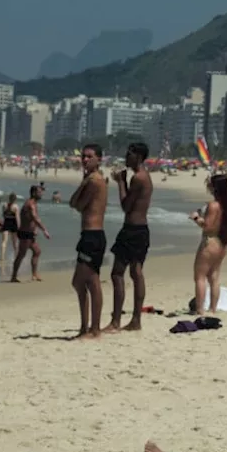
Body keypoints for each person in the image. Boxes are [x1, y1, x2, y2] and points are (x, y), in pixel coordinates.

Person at [108, 142, 153, 332]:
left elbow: (126, 205)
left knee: (117, 273)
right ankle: (135, 320)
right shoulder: (145, 176)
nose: (126, 157)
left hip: (132, 229)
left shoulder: (139, 178)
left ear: (139, 157)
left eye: (129, 154)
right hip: (141, 229)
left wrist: (120, 182)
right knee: (136, 273)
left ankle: (117, 320)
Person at [68, 144, 109, 339]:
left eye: (89, 157)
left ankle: (93, 328)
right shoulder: (94, 179)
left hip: (93, 235)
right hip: (91, 235)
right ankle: (87, 327)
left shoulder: (93, 181)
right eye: (83, 156)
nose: (85, 160)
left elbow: (75, 203)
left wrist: (82, 184)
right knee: (83, 282)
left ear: (99, 159)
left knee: (86, 281)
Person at [191, 173, 227, 318]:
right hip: (221, 242)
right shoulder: (225, 206)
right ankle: (213, 308)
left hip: (210, 241)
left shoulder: (213, 205)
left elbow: (208, 227)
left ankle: (200, 309)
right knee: (214, 277)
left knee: (200, 276)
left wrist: (196, 218)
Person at [10, 185, 50, 283]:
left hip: (30, 234)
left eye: (41, 192)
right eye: (39, 192)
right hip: (25, 233)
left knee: (37, 251)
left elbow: (30, 219)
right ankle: (13, 276)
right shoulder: (30, 204)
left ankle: (34, 274)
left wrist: (35, 229)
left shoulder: (34, 203)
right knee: (21, 255)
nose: (41, 194)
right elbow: (34, 217)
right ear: (33, 193)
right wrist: (44, 230)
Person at [0, 192, 20, 265]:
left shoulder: (4, 205)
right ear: (15, 199)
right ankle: (16, 256)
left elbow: (3, 215)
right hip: (13, 223)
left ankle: (2, 257)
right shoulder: (16, 207)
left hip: (6, 223)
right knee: (14, 242)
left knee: (4, 241)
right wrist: (19, 227)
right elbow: (17, 218)